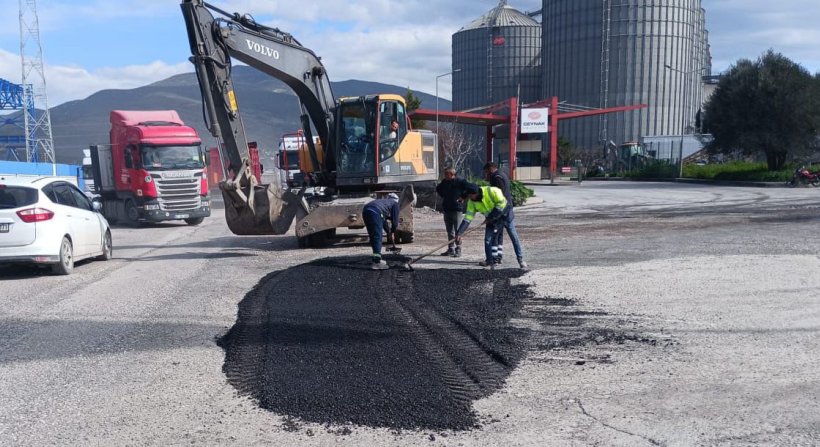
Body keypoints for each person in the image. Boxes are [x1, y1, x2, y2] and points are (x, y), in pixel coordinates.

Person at [455, 183, 526, 269]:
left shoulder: (493, 191)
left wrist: (490, 217)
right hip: (491, 219)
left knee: (514, 237)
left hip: (505, 216)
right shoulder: (472, 202)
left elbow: (501, 205)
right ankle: (490, 261)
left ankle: (520, 259)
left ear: (475, 193)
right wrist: (459, 232)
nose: (470, 198)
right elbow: (467, 218)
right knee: (487, 239)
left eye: (470, 196)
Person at [483, 162, 526, 268]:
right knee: (509, 236)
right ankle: (515, 259)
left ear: (490, 169)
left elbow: (499, 196)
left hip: (502, 212)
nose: (485, 174)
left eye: (486, 172)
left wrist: (492, 215)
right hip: (508, 210)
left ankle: (493, 260)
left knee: (494, 236)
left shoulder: (495, 177)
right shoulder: (502, 174)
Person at [435, 166, 470, 257]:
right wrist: (444, 196)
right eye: (445, 174)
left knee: (458, 231)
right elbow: (438, 189)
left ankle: (458, 249)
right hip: (447, 209)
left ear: (452, 174)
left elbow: (470, 188)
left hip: (457, 209)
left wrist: (463, 197)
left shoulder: (460, 181)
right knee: (449, 231)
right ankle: (451, 249)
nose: (445, 176)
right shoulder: (445, 182)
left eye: (447, 174)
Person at [362, 193, 400, 270]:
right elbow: (395, 222)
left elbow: (384, 221)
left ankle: (376, 258)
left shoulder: (383, 202)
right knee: (377, 236)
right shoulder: (395, 204)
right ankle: (376, 263)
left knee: (373, 236)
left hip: (366, 210)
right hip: (375, 212)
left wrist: (389, 232)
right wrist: (393, 232)